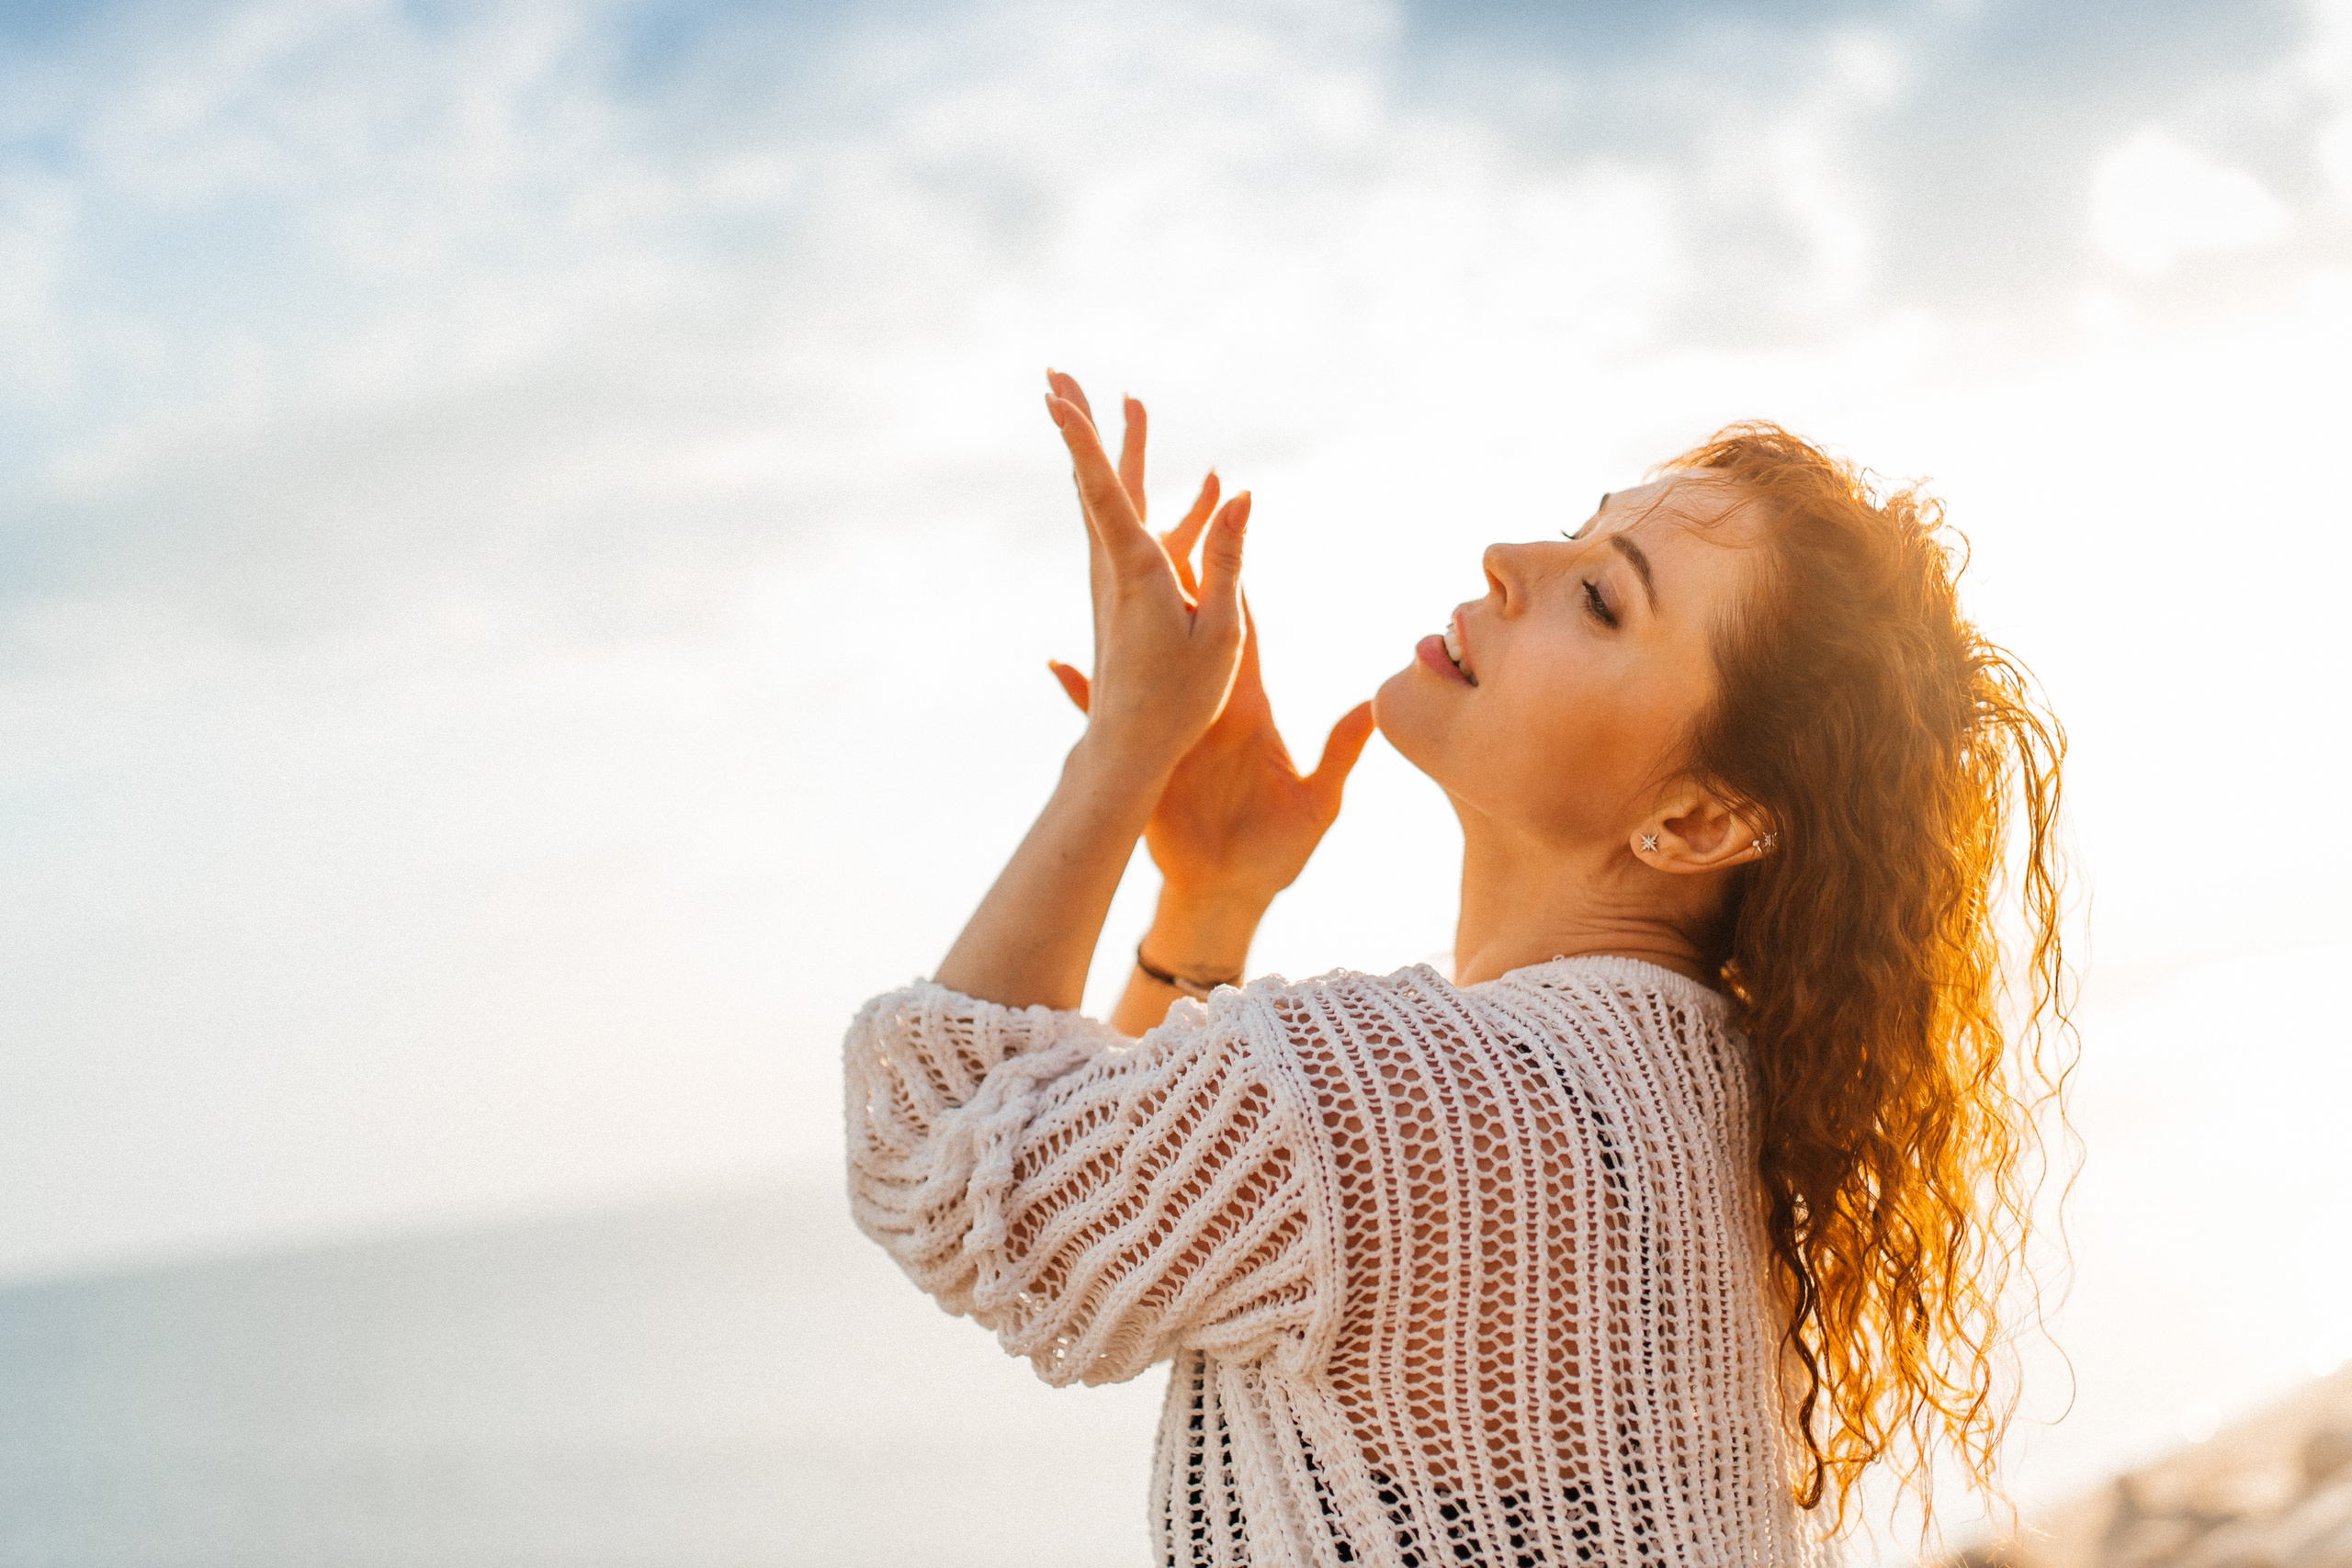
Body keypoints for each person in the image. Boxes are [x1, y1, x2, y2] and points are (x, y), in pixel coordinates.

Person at [842, 371, 2070, 1566]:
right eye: (1577, 532)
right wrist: (1210, 901)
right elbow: (1110, 1202)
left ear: (1698, 821)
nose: (1509, 559)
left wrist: (1124, 746)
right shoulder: (1711, 1099)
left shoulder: (1404, 1098)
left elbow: (935, 1163)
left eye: (1602, 600)